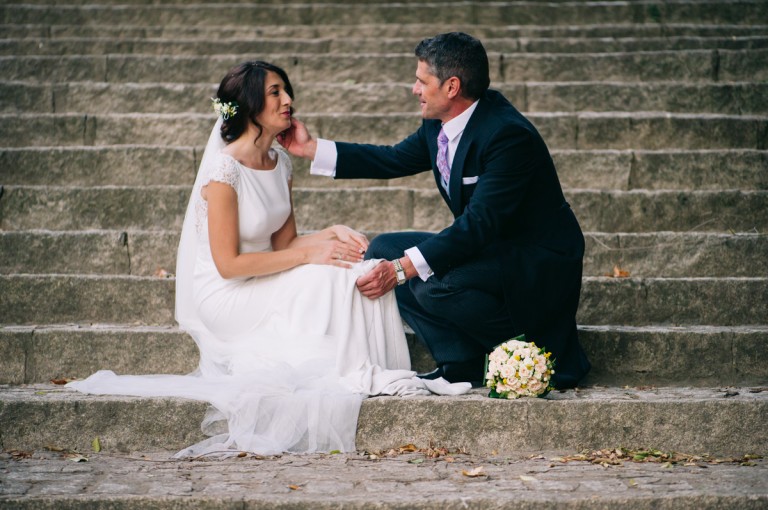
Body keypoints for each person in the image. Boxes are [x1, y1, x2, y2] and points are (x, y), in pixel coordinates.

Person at [67, 61, 469, 458]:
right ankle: (355, 370)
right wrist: (312, 254)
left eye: (286, 90)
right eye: (275, 92)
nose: (288, 100)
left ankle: (370, 365)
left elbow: (286, 242)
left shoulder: (280, 162)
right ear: (248, 106)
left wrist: (331, 232)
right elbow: (230, 265)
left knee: (357, 268)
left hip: (266, 274)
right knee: (330, 276)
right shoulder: (223, 171)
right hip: (227, 292)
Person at [279, 32, 591, 389]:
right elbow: (393, 158)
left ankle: (534, 350)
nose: (414, 89)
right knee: (382, 250)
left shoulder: (507, 136)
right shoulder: (438, 122)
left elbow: (478, 225)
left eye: (421, 80)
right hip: (492, 247)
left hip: (536, 259)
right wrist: (309, 148)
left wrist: (401, 269)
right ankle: (460, 360)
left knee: (430, 284)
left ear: (452, 86)